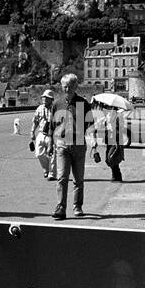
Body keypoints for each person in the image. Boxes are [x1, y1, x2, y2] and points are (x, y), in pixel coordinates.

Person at [50, 72, 95, 220]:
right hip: (62, 144)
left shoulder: (83, 104)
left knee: (78, 180)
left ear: (76, 86)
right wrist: (51, 144)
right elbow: (52, 126)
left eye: (70, 86)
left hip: (79, 144)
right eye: (64, 86)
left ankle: (77, 206)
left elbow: (90, 126)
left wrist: (93, 144)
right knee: (62, 178)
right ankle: (61, 208)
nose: (66, 89)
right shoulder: (57, 104)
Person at [92, 106, 130, 182]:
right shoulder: (106, 117)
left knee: (111, 158)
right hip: (109, 141)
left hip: (116, 141)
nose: (108, 110)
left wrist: (114, 128)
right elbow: (97, 126)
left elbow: (121, 128)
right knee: (108, 159)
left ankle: (117, 176)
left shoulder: (119, 117)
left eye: (111, 108)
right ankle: (115, 177)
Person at [29, 88, 56, 179]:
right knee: (39, 153)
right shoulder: (39, 108)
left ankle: (52, 173)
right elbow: (35, 121)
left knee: (52, 155)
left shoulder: (55, 109)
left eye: (47, 98)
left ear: (51, 99)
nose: (44, 99)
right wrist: (32, 131)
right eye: (43, 98)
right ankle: (46, 169)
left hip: (52, 135)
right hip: (41, 133)